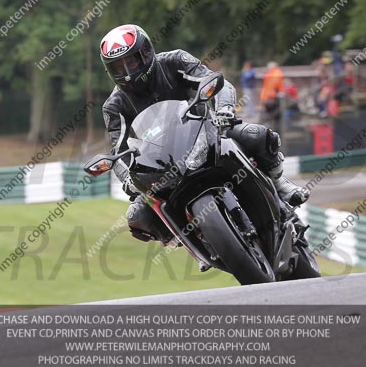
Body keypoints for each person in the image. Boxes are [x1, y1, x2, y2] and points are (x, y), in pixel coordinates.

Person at [99, 24, 309, 246]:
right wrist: (128, 178)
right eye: (118, 67)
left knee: (257, 136)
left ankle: (278, 184)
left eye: (130, 61)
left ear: (146, 52)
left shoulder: (174, 61)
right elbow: (120, 150)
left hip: (206, 132)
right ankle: (193, 242)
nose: (127, 71)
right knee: (138, 215)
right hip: (162, 163)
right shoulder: (114, 106)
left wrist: (224, 110)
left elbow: (216, 82)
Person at [260, 61, 284, 128]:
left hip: (270, 98)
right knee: (275, 115)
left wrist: (263, 98)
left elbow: (269, 87)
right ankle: (275, 129)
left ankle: (268, 128)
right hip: (273, 97)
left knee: (270, 114)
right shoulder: (276, 73)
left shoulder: (271, 74)